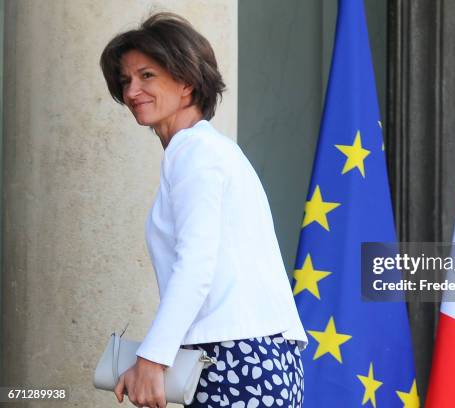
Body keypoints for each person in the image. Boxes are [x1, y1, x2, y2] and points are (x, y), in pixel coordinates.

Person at [99, 12, 307, 408]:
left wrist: (152, 359)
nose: (131, 91)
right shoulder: (205, 150)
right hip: (251, 357)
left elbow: (196, 264)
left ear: (186, 82)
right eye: (125, 80)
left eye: (147, 75)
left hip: (236, 358)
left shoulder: (196, 152)